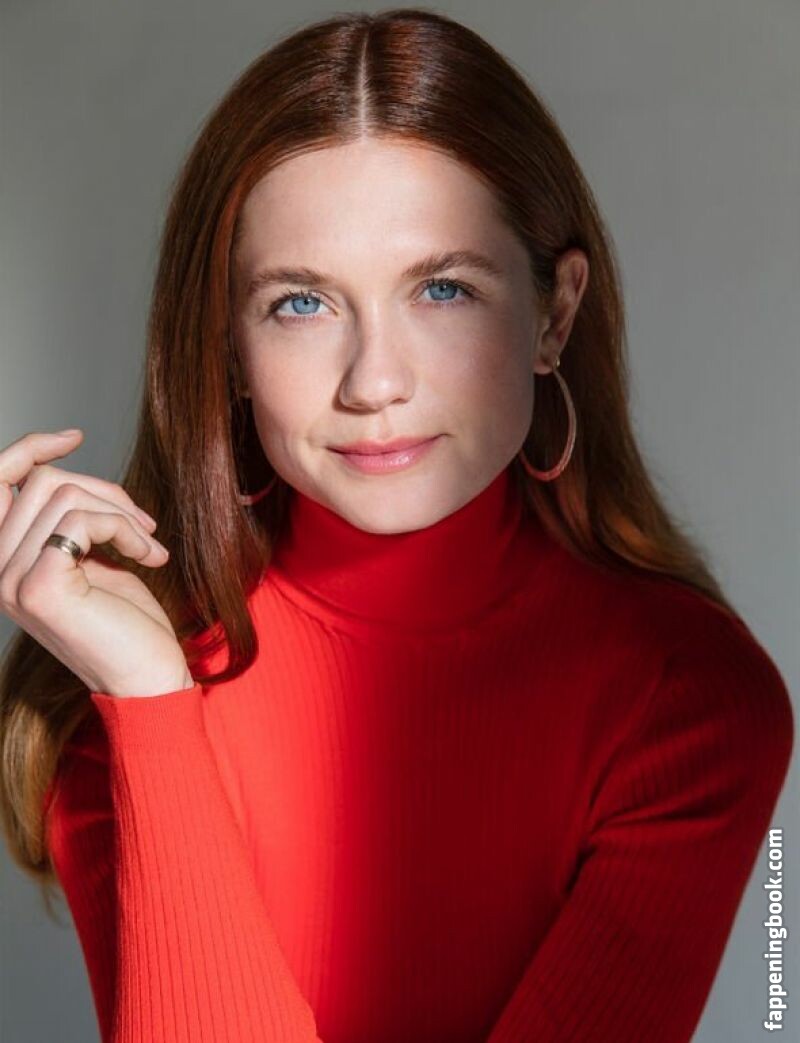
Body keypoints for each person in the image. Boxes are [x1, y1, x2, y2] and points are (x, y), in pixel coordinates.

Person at [0, 8, 793, 1043]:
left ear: (553, 315)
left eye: (442, 288)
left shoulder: (687, 705)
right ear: (227, 346)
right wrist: (149, 700)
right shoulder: (111, 677)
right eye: (301, 303)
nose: (375, 381)